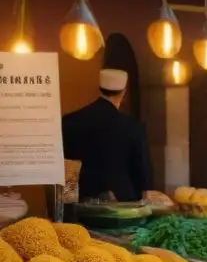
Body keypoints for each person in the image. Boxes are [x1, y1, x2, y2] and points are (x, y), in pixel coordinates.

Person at [62, 68, 150, 202]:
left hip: (81, 199)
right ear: (123, 92)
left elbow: (65, 163)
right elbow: (141, 165)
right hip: (123, 201)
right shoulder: (132, 126)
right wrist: (144, 191)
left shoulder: (70, 121)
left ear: (100, 89)